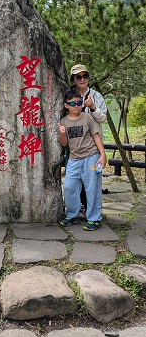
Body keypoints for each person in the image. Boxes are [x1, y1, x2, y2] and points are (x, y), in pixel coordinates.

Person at [59, 88, 107, 231]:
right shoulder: (64, 121)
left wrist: (102, 155)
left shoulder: (87, 118)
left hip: (91, 158)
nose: (77, 106)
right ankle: (72, 214)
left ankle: (94, 218)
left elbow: (96, 136)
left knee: (92, 188)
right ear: (66, 105)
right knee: (68, 186)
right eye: (73, 104)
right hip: (74, 159)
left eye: (79, 102)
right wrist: (62, 134)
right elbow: (64, 144)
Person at [70, 64, 107, 212]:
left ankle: (92, 211)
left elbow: (103, 118)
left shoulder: (96, 96)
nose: (82, 79)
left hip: (93, 145)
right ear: (73, 79)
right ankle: (76, 207)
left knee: (93, 180)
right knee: (75, 180)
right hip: (75, 145)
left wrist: (92, 107)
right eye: (78, 77)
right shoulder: (69, 95)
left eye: (85, 76)